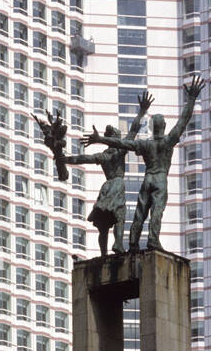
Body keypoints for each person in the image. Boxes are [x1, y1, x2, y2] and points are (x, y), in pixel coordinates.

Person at [86, 76, 204, 250]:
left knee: (140, 211)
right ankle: (153, 240)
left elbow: (123, 142)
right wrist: (192, 99)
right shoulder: (168, 140)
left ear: (152, 127)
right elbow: (183, 121)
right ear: (163, 126)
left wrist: (101, 139)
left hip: (148, 178)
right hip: (160, 178)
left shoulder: (146, 144)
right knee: (156, 210)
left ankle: (133, 242)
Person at [58, 91, 153, 256]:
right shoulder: (120, 150)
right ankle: (118, 244)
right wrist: (141, 112)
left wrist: (64, 159)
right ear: (116, 139)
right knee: (119, 217)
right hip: (117, 184)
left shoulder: (104, 156)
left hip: (106, 187)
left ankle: (103, 253)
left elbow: (83, 158)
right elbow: (134, 130)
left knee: (103, 224)